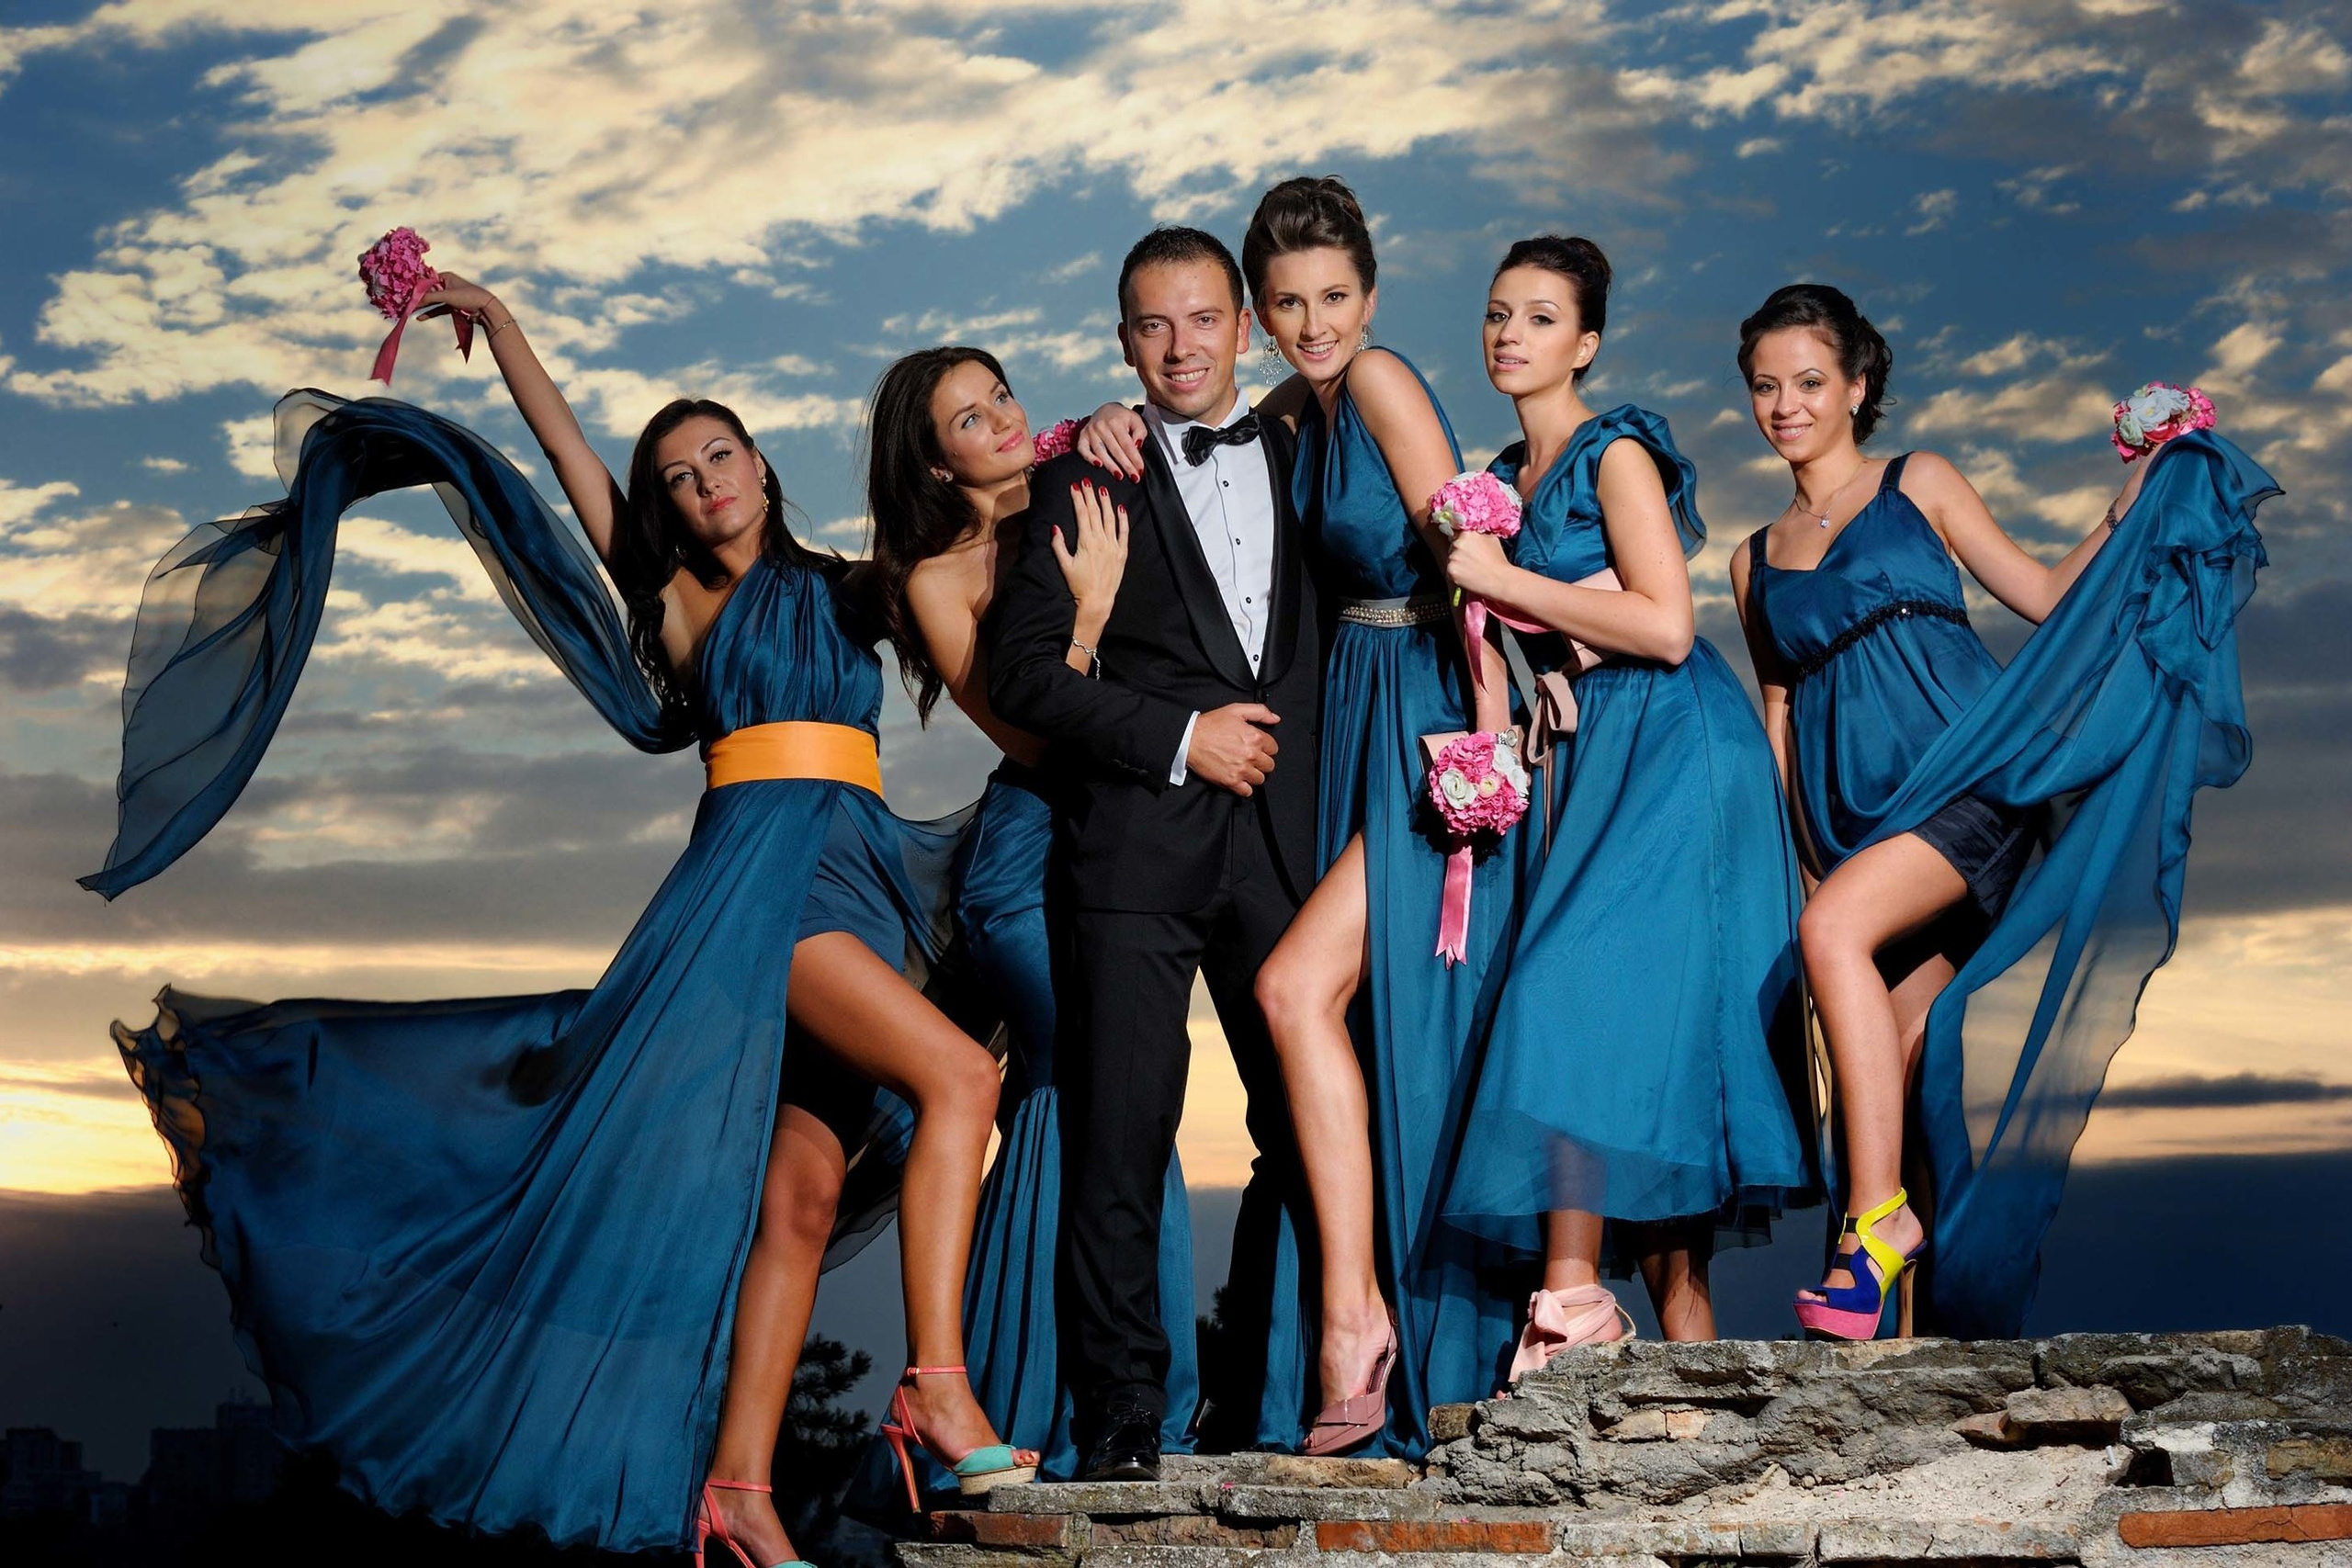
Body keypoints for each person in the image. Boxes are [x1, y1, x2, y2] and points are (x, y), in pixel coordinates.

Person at [86, 271, 1033, 1565]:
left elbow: (965, 551)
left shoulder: (854, 586)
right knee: (961, 1074)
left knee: (801, 1201)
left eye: (721, 455)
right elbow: (567, 451)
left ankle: (741, 1489)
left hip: (861, 874)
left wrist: (1055, 462)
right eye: (681, 476)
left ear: (759, 461)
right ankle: (935, 1378)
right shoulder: (679, 593)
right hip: (762, 895)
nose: (707, 484)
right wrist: (502, 326)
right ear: (666, 510)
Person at [1727, 284, 2277, 1338]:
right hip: (1850, 824)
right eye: (1764, 386)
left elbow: (2039, 594)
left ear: (1856, 386)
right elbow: (1780, 716)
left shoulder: (1917, 479)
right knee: (1897, 1059)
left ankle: (1872, 1227)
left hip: (1967, 778)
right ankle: (1921, 1332)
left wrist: (2131, 505)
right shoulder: (1754, 557)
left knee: (1833, 939)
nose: (1784, 405)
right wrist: (1797, 857)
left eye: (1808, 382)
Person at [1080, 177, 1520, 1458]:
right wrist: (1114, 418)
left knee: (1295, 993)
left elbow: (1467, 558)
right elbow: (1191, 426)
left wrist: (1485, 738)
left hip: (1425, 718)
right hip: (1350, 734)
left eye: (1335, 296)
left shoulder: (1375, 379)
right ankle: (1359, 1327)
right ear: (1262, 318)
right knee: (1357, 1021)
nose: (1317, 321)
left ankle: (1361, 1323)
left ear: (1371, 299)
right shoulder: (1287, 413)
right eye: (1290, 303)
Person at [1438, 237, 1815, 1371]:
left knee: (1562, 991)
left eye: (1542, 319)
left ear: (1587, 344)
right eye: (1499, 314)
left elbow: (1661, 624)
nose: (1511, 334)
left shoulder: (1617, 455)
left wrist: (1499, 579)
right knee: (1625, 1032)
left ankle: (1573, 1311)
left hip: (1679, 744)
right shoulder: (1503, 479)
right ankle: (1659, 1333)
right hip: (1586, 754)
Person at [986, 226, 1319, 1481]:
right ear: (1124, 340)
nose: (1179, 348)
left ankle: (1254, 1390)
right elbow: (1019, 670)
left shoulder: (1309, 452)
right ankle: (1126, 1409)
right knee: (1122, 1132)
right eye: (1150, 325)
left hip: (1287, 844)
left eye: (1200, 319)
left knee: (1305, 1124)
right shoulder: (1083, 480)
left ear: (1244, 324)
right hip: (1129, 843)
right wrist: (1182, 734)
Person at [852, 344, 1200, 1489]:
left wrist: (1112, 416)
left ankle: (1141, 1400)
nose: (1000, 420)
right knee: (1076, 1084)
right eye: (967, 418)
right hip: (1031, 848)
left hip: (1130, 832)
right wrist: (1088, 613)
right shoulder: (937, 576)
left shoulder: (1084, 476)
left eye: (999, 395)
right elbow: (1034, 731)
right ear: (933, 458)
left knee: (1134, 1085)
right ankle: (1033, 1396)